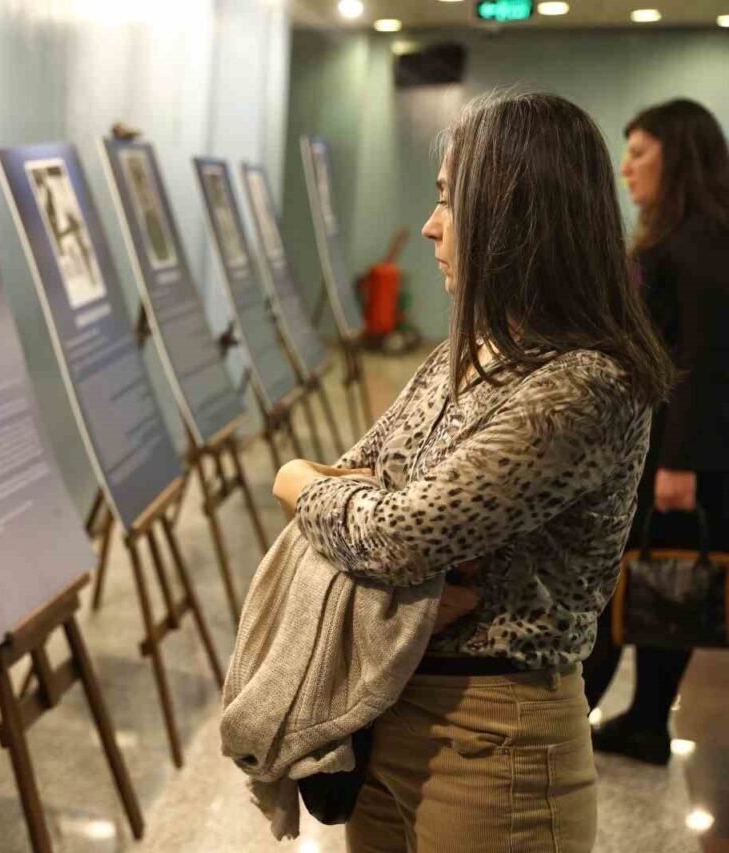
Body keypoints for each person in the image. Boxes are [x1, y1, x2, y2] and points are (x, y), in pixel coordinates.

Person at [272, 92, 673, 852]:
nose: (430, 226)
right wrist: (325, 487)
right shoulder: (469, 350)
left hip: (492, 741)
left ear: (516, 217)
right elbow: (357, 474)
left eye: (451, 202)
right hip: (387, 711)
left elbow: (398, 535)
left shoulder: (583, 382)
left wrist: (297, 480)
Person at [583, 98, 729, 765]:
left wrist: (680, 464)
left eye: (639, 152)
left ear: (680, 155)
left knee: (646, 577)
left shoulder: (701, 243)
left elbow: (703, 361)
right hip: (664, 446)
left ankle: (614, 716)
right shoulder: (680, 235)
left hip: (678, 455)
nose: (625, 167)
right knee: (653, 578)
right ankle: (642, 720)